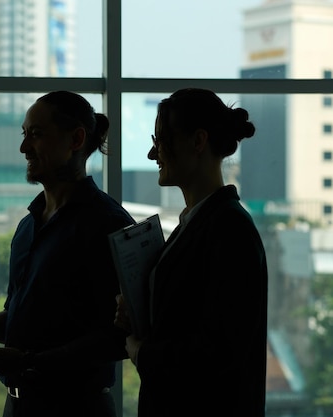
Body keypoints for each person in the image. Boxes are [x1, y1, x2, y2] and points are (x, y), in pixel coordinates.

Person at [0, 91, 136, 417]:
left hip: (78, 408)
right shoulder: (27, 227)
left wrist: (30, 362)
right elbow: (21, 324)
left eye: (36, 135)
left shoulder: (109, 224)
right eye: (25, 135)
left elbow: (121, 335)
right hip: (18, 405)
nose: (24, 148)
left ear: (76, 139)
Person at [115, 88, 268, 416]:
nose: (152, 154)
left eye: (160, 140)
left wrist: (141, 352)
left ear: (198, 142)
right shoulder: (203, 223)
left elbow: (219, 348)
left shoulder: (228, 230)